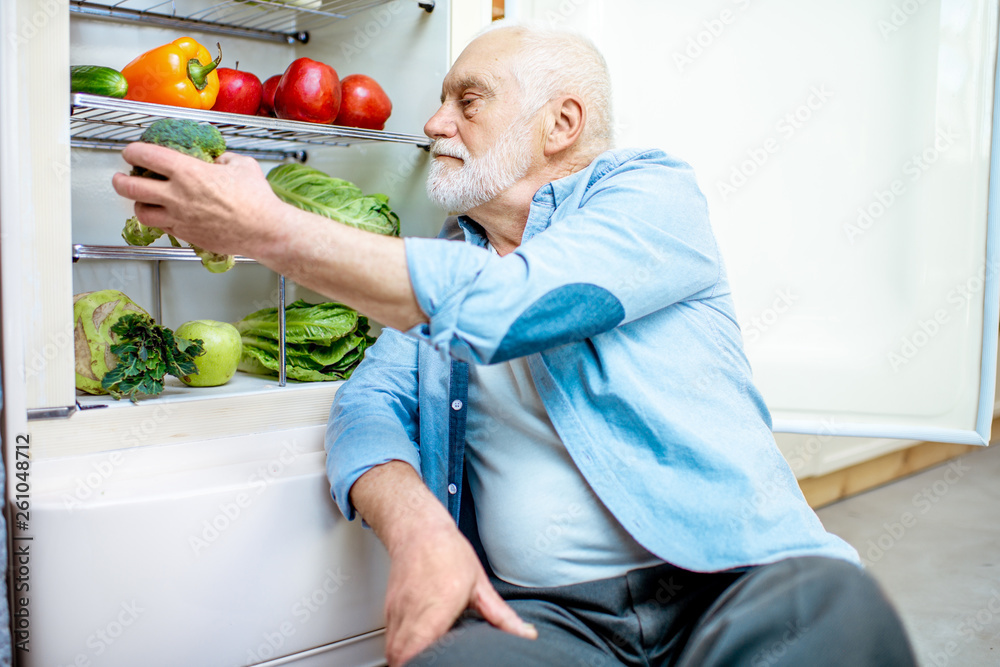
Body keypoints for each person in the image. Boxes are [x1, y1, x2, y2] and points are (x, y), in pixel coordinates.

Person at [112, 20, 917, 667]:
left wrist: (269, 230)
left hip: (736, 583)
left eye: (468, 99)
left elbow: (517, 304)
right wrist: (419, 528)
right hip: (553, 624)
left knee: (836, 614)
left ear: (561, 123)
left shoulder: (651, 194)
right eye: (440, 100)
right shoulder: (450, 258)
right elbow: (367, 405)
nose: (434, 123)